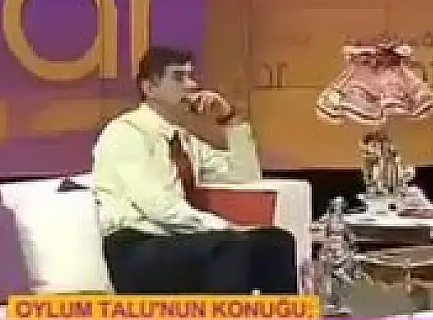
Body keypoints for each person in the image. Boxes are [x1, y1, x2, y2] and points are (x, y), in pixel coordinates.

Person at [93, 46, 298, 294]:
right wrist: (225, 227)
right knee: (227, 248)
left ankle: (283, 312)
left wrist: (229, 119)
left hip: (178, 240)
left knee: (276, 242)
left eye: (191, 76)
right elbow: (159, 208)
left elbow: (245, 175)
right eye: (179, 77)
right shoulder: (126, 134)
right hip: (136, 247)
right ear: (149, 88)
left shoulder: (184, 139)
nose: (192, 85)